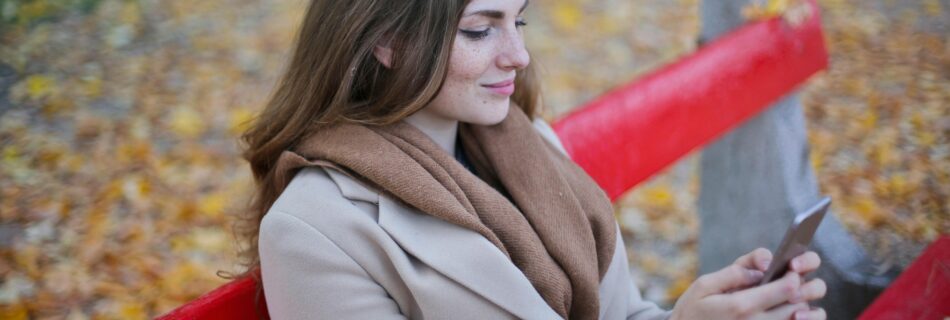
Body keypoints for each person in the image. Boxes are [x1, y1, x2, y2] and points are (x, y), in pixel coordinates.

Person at [237, 0, 828, 319]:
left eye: (517, 20)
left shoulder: (531, 145)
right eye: (480, 29)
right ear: (386, 42)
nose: (518, 54)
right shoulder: (315, 230)